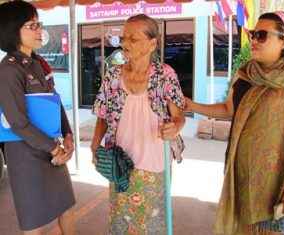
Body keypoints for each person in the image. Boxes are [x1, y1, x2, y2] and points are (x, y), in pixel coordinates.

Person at [185, 11, 284, 234]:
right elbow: (230, 109)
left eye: (262, 35)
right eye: (252, 34)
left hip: (275, 178)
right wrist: (192, 106)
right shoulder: (245, 74)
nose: (253, 41)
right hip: (238, 170)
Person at [91, 14, 185, 234]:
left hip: (154, 161)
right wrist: (95, 144)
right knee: (121, 220)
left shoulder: (164, 74)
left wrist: (176, 126)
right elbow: (102, 114)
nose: (125, 42)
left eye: (133, 38)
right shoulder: (113, 75)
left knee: (151, 223)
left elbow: (178, 115)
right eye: (124, 37)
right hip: (120, 162)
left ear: (152, 44)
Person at [0, 1, 76, 235]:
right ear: (13, 30)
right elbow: (18, 122)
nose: (38, 30)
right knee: (34, 220)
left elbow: (55, 101)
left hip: (52, 148)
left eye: (38, 24)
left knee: (67, 205)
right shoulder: (9, 69)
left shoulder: (37, 64)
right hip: (25, 154)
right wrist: (55, 150)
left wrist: (68, 135)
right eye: (31, 25)